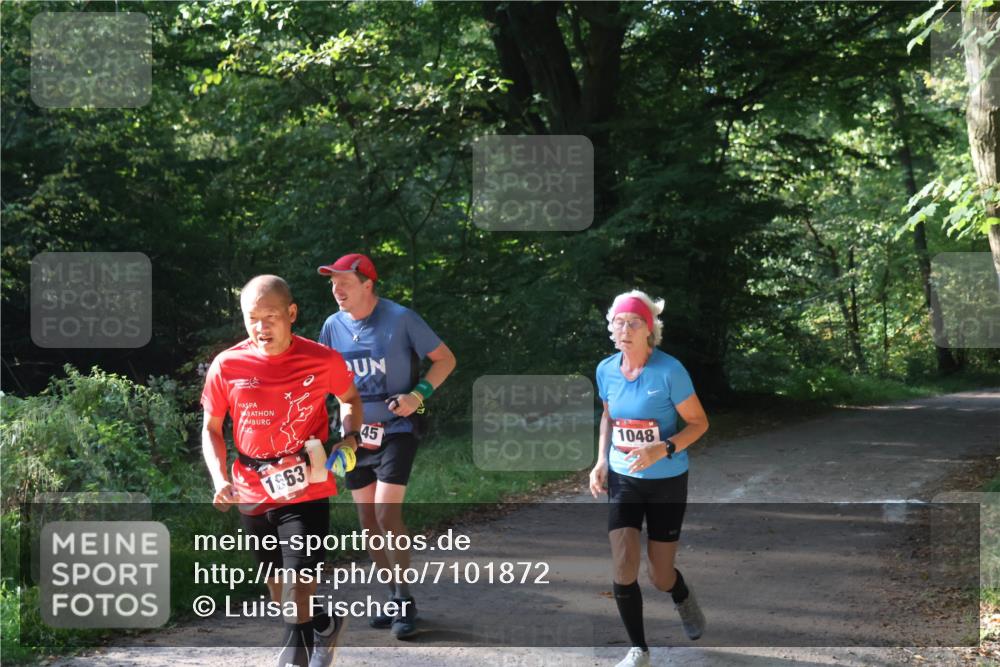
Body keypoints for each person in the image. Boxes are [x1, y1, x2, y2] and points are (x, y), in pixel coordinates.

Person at [201, 275, 363, 667]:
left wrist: (350, 437)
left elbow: (350, 398)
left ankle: (296, 657)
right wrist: (220, 478)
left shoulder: (321, 360)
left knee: (297, 583)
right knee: (277, 586)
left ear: (291, 314)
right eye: (252, 318)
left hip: (306, 482)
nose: (261, 328)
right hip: (252, 485)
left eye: (270, 316)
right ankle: (324, 624)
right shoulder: (227, 365)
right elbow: (210, 428)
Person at [317, 253, 456, 639]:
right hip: (353, 435)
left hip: (397, 427)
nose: (337, 289)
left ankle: (405, 599)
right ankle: (393, 593)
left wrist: (417, 394)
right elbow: (322, 380)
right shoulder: (332, 326)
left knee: (385, 514)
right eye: (332, 282)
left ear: (367, 284)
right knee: (367, 523)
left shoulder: (401, 318)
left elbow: (445, 360)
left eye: (344, 281)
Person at [588, 290, 709, 667]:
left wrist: (662, 448)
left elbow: (699, 423)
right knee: (623, 563)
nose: (625, 329)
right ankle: (639, 649)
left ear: (649, 330)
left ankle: (681, 594)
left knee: (659, 574)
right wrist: (600, 461)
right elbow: (609, 416)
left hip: (667, 480)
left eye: (634, 323)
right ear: (611, 328)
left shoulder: (670, 371)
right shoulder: (606, 369)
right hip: (624, 478)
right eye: (619, 322)